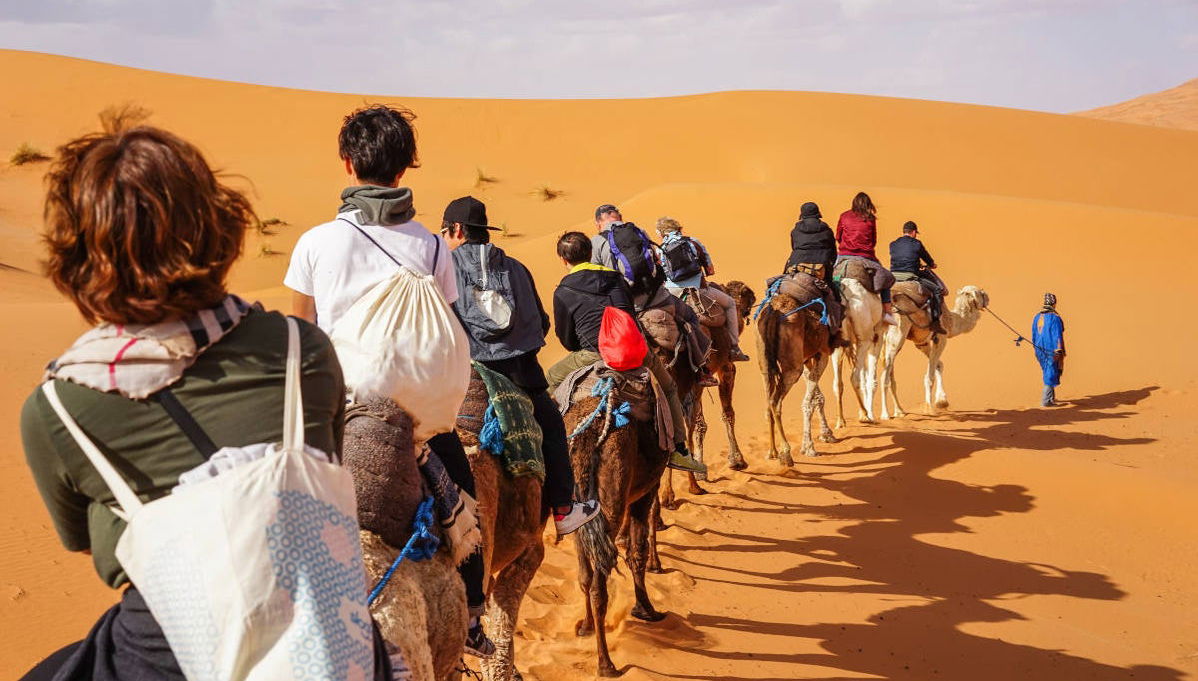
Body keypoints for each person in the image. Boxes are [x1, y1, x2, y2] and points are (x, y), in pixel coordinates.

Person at [19, 125, 391, 679]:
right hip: (326, 639)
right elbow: (324, 463)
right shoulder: (302, 350)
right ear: (219, 226)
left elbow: (82, 539)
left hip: (166, 649)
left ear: (78, 258)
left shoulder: (57, 407)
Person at [283, 105, 493, 658]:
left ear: (348, 164)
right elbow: (439, 331)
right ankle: (471, 615)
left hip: (340, 413)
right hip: (418, 423)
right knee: (466, 505)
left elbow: (301, 336)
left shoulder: (315, 242)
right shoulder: (431, 246)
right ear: (405, 170)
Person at [441, 195, 601, 535]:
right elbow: (540, 324)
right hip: (521, 376)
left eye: (445, 232)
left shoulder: (443, 267)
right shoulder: (516, 268)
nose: (444, 239)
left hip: (461, 375)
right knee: (553, 429)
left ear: (456, 229)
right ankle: (563, 509)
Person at [546, 231, 707, 475]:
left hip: (593, 353)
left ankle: (543, 450)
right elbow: (628, 313)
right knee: (669, 387)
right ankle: (680, 451)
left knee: (548, 381)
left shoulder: (563, 291)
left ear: (562, 259)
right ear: (591, 252)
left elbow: (566, 337)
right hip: (634, 349)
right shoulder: (615, 278)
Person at [592, 204, 717, 386]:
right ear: (619, 216)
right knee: (690, 315)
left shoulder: (596, 242)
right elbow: (656, 263)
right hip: (659, 299)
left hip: (625, 308)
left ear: (598, 223)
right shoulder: (638, 231)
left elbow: (597, 277)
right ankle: (702, 369)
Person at [654, 217, 749, 362]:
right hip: (698, 290)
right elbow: (710, 269)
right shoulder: (693, 242)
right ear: (679, 229)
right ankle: (734, 348)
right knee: (730, 303)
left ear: (660, 233)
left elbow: (658, 276)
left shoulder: (659, 250)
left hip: (672, 293)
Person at [836, 191, 898, 325]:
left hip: (843, 256)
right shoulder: (870, 219)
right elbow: (874, 240)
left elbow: (838, 237)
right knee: (886, 278)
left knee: (829, 277)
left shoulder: (844, 216)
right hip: (866, 257)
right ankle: (887, 313)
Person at [889, 220, 947, 334]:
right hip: (910, 276)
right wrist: (932, 265)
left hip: (894, 276)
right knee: (937, 290)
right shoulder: (917, 244)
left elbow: (900, 258)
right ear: (914, 232)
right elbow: (927, 259)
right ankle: (935, 323)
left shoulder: (893, 244)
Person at [784, 201, 838, 293]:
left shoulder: (795, 231)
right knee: (833, 292)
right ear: (817, 213)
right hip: (820, 266)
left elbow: (794, 247)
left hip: (796, 263)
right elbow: (833, 252)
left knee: (782, 282)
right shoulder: (827, 230)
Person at [1032, 293, 1066, 407]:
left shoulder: (1037, 317)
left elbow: (1033, 334)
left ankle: (1051, 398)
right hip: (1051, 350)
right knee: (1050, 373)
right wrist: (1058, 350)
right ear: (1054, 303)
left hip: (1039, 349)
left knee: (1048, 371)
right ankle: (1046, 401)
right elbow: (1057, 335)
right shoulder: (1055, 318)